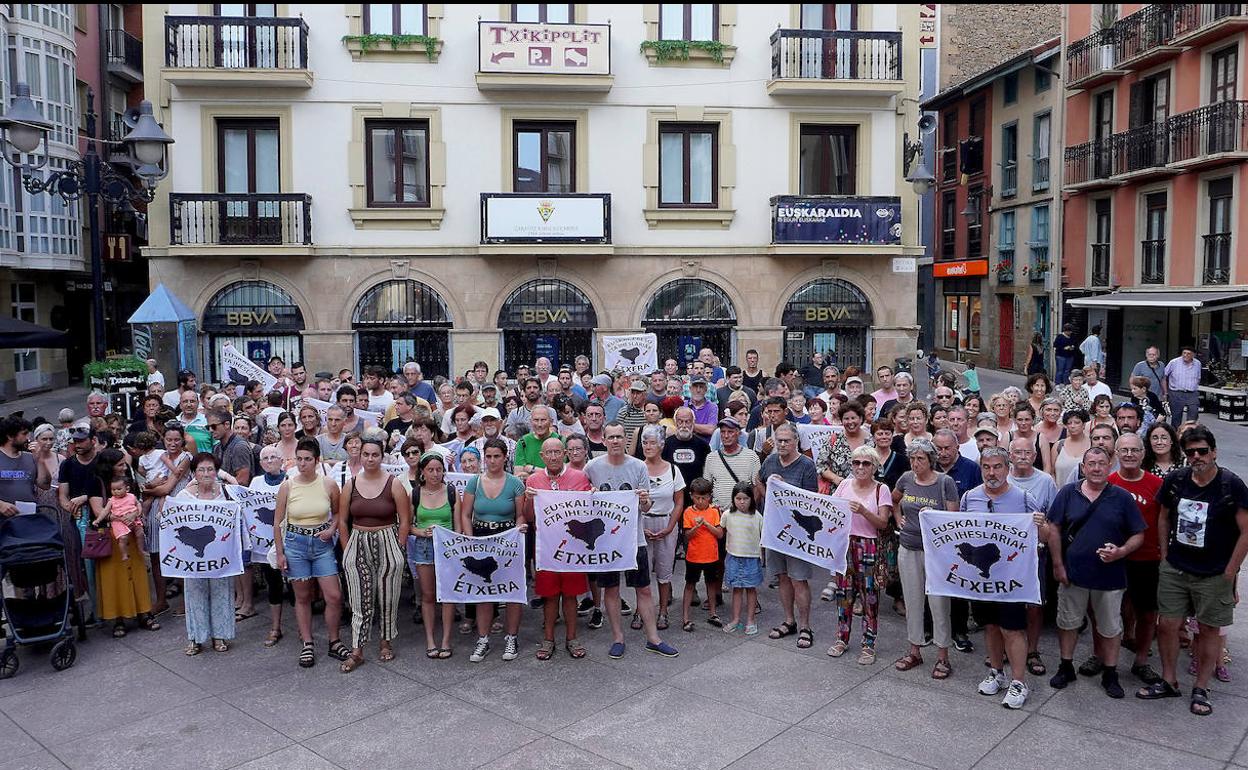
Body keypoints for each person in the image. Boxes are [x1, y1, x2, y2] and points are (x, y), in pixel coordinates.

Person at [1139, 426, 1248, 717]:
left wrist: (1231, 570)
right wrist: (1164, 554)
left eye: (1202, 451)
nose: (1197, 457)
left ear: (1214, 452)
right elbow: (1163, 517)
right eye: (1191, 452)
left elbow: (1246, 530)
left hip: (1214, 572)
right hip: (1176, 567)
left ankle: (1201, 687)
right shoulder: (1176, 480)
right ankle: (1169, 679)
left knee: (1209, 630)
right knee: (1167, 626)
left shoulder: (1231, 484)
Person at [1047, 446, 1145, 699]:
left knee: (1111, 627)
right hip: (1074, 573)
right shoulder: (1069, 492)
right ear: (1083, 467)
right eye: (1091, 463)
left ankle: (1110, 673)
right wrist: (1058, 564)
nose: (1097, 468)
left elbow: (1138, 533)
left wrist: (1121, 551)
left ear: (1109, 465)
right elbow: (1054, 528)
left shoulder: (1122, 497)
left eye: (1102, 463)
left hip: (1110, 577)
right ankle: (1066, 665)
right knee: (1068, 623)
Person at [586, 422, 679, 659]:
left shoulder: (638, 466)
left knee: (644, 589)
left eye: (619, 437)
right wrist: (589, 496)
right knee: (611, 589)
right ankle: (618, 637)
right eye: (611, 437)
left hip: (634, 538)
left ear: (625, 440)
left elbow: (646, 507)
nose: (615, 441)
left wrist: (645, 499)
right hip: (606, 541)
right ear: (604, 440)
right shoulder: (592, 467)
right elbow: (579, 497)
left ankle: (653, 638)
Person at [961, 447, 1041, 709]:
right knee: (990, 626)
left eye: (997, 467)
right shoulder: (970, 497)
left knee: (1012, 629)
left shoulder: (1024, 498)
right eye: (986, 467)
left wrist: (1042, 525)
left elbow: (1044, 537)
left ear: (1007, 469)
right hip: (981, 578)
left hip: (1011, 579)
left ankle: (1019, 682)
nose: (992, 472)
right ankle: (997, 671)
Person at [337, 431, 410, 672]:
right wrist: (347, 549)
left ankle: (385, 641)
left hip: (387, 538)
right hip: (358, 540)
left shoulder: (394, 482)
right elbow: (343, 519)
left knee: (388, 596)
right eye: (366, 454)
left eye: (375, 455)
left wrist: (399, 548)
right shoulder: (352, 483)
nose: (370, 459)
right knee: (359, 598)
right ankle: (357, 649)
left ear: (382, 456)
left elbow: (405, 519)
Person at [273, 438, 348, 668]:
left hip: (322, 543)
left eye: (307, 459)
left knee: (333, 595)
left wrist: (332, 529)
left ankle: (334, 640)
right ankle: (307, 642)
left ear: (316, 461)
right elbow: (277, 522)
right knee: (302, 596)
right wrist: (280, 553)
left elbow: (337, 514)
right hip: (296, 543)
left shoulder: (328, 484)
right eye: (299, 459)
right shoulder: (288, 485)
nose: (303, 463)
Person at [893, 438, 959, 679]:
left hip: (936, 553)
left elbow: (954, 518)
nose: (915, 463)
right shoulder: (906, 478)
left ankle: (943, 656)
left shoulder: (945, 482)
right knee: (912, 601)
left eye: (920, 458)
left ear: (931, 460)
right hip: (908, 547)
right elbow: (894, 499)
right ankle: (915, 650)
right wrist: (897, 516)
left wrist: (934, 516)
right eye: (912, 458)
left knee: (939, 604)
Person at [523, 437, 592, 660]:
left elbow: (587, 513)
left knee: (571, 596)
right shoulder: (534, 479)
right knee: (550, 596)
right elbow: (530, 518)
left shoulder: (579, 476)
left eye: (556, 452)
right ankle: (548, 639)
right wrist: (529, 499)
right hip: (546, 548)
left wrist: (593, 496)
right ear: (541, 457)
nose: (553, 457)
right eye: (548, 453)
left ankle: (572, 638)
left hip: (573, 547)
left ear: (564, 453)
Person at [459, 438, 527, 663]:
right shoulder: (474, 483)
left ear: (505, 457)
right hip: (481, 538)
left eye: (497, 456)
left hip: (507, 540)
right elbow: (465, 514)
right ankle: (483, 639)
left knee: (512, 590)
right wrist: (470, 540)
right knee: (483, 591)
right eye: (488, 456)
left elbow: (519, 514)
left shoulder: (515, 483)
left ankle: (512, 636)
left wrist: (519, 528)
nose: (492, 460)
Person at [1108, 432, 1166, 686]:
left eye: (1134, 450)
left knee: (1147, 613)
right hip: (1114, 559)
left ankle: (1141, 660)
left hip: (1147, 559)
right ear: (1116, 454)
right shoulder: (1108, 482)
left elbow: (1165, 522)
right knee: (1108, 612)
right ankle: (1102, 656)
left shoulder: (1156, 485)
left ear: (1143, 454)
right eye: (1124, 450)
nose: (1129, 455)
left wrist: (1164, 554)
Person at [754, 423, 819, 650]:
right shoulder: (770, 461)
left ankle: (805, 626)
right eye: (778, 440)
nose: (782, 444)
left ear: (796, 441)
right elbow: (758, 479)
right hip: (775, 529)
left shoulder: (807, 465)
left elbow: (812, 500)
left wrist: (786, 492)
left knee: (798, 578)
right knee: (782, 576)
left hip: (798, 532)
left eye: (786, 441)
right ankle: (789, 620)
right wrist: (769, 494)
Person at [829, 445, 892, 665]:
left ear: (874, 466)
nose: (860, 467)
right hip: (845, 545)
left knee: (869, 597)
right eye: (856, 463)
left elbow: (883, 523)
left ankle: (868, 644)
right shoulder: (844, 485)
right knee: (843, 595)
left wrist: (864, 511)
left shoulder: (881, 490)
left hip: (869, 546)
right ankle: (842, 638)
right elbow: (829, 510)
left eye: (866, 463)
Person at [174, 453, 238, 654]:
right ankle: (196, 637)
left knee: (222, 592)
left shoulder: (226, 494)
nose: (206, 473)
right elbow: (169, 519)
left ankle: (220, 636)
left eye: (210, 469)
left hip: (220, 555)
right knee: (194, 594)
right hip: (193, 558)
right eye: (201, 469)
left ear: (216, 471)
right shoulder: (184, 496)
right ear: (194, 472)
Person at [637, 425, 684, 631]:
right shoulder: (637, 468)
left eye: (652, 442)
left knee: (664, 573)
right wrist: (639, 528)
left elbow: (679, 502)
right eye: (644, 442)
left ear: (661, 445)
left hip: (666, 522)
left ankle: (663, 611)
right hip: (642, 523)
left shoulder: (673, 469)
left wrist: (669, 527)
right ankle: (641, 610)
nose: (648, 446)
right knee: (642, 572)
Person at [249, 446, 289, 648]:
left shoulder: (290, 480)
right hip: (265, 543)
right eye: (265, 458)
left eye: (274, 457)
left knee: (297, 587)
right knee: (273, 584)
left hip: (288, 540)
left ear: (282, 460)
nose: (269, 461)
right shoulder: (256, 482)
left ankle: (302, 628)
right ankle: (275, 627)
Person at [679, 477, 723, 631]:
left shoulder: (714, 511)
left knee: (711, 584)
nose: (701, 501)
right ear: (691, 496)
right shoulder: (688, 512)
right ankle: (685, 617)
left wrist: (706, 523)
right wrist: (696, 527)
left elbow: (719, 534)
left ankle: (713, 613)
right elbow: (687, 535)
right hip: (694, 556)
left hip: (711, 556)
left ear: (709, 497)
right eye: (697, 498)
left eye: (704, 498)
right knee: (690, 584)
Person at [721, 480, 763, 635]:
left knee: (751, 589)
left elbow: (764, 536)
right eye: (738, 499)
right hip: (733, 557)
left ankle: (751, 620)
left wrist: (762, 556)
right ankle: (735, 619)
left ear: (752, 499)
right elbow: (722, 530)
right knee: (736, 589)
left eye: (745, 498)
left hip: (751, 558)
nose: (742, 502)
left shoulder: (757, 516)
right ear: (733, 499)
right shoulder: (727, 514)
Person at [94, 477, 140, 562]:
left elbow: (138, 504)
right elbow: (105, 511)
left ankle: (141, 549)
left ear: (127, 489)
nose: (115, 492)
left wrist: (138, 512)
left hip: (133, 519)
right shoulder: (111, 500)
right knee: (123, 538)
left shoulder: (131, 496)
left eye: (119, 489)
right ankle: (124, 554)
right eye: (113, 489)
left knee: (140, 533)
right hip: (119, 522)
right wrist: (98, 520)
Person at [1165, 345, 1202, 427]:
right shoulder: (1174, 362)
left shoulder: (1197, 363)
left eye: (1188, 354)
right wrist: (1166, 391)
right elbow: (1164, 376)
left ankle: (1190, 434)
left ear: (1193, 355)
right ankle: (1176, 436)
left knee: (1193, 413)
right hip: (1176, 393)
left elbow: (1198, 377)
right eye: (1184, 353)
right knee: (1176, 417)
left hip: (1192, 393)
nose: (1185, 355)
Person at [1051, 409, 1091, 484]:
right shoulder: (1058, 445)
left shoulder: (1092, 444)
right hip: (1061, 492)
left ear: (1084, 424)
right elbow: (1052, 472)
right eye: (1069, 423)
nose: (1073, 426)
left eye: (1077, 422)